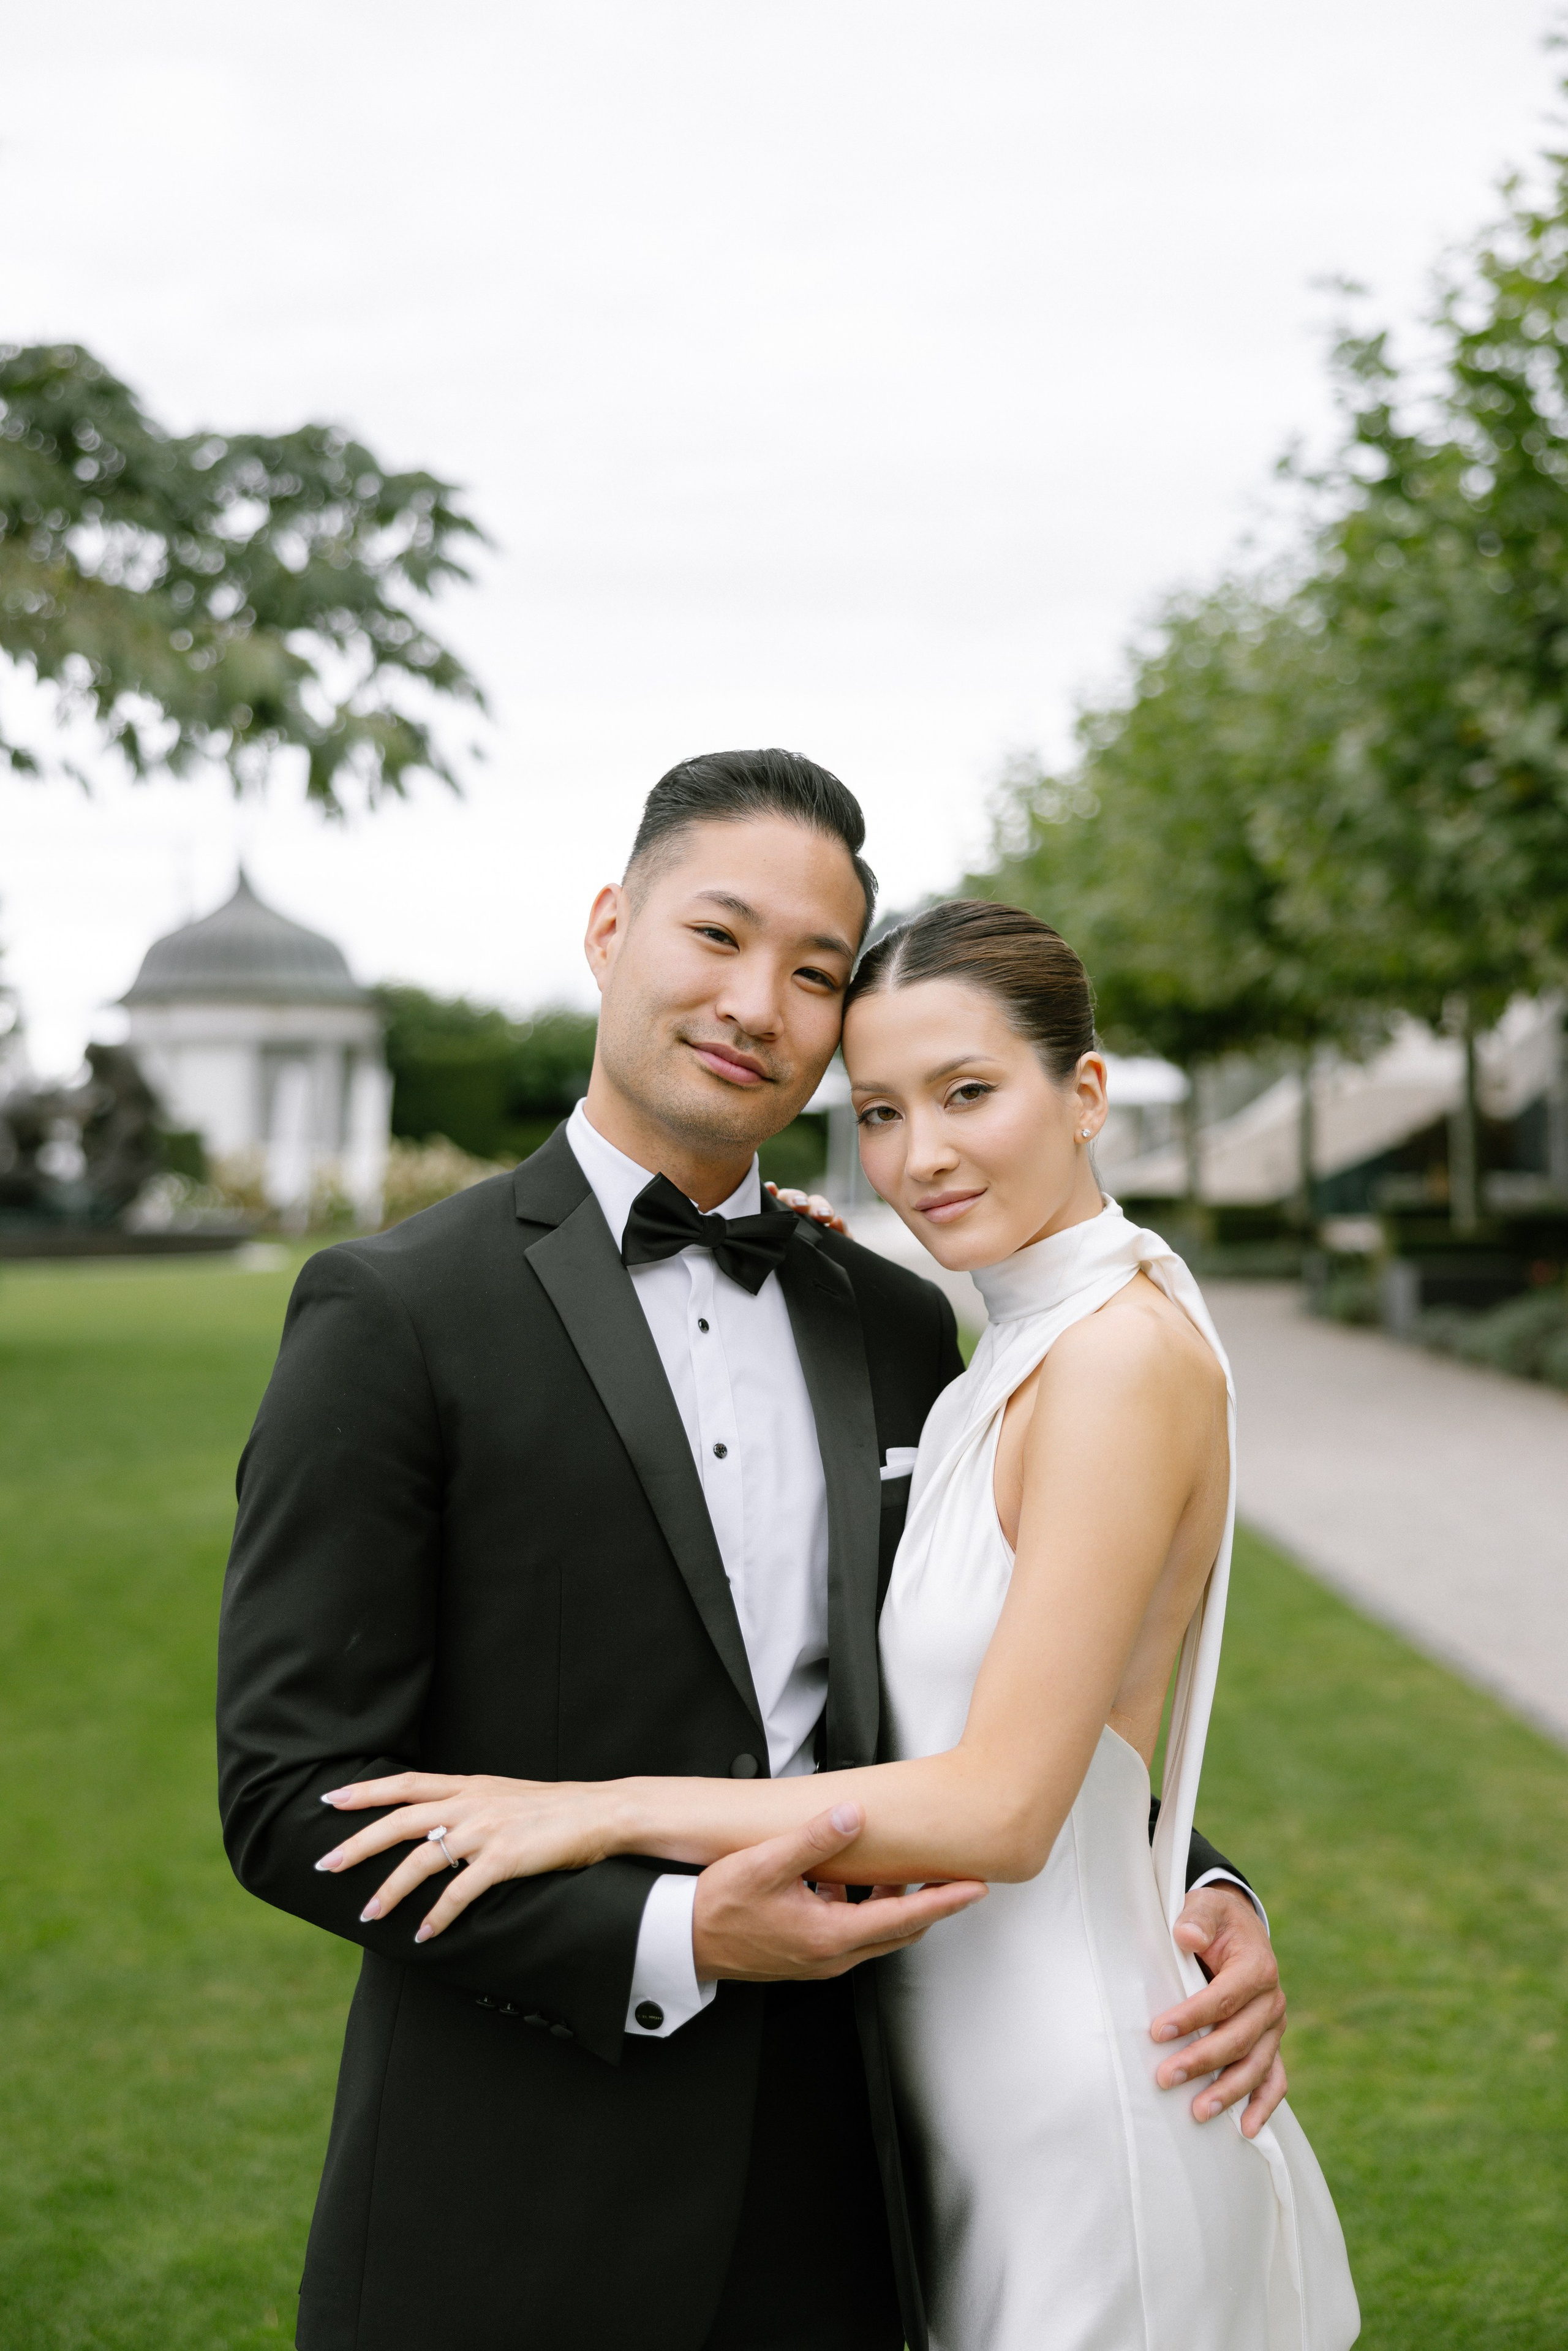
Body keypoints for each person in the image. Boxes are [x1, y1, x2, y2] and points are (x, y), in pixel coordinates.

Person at [220, 752, 1292, 2351]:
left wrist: (1191, 1887)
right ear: (609, 930)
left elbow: (994, 1670)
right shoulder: (393, 1316)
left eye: (810, 972)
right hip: (521, 2186)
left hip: (861, 2172)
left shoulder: (886, 1314)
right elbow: (288, 1797)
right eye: (717, 937)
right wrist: (668, 1929)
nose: (754, 1002)